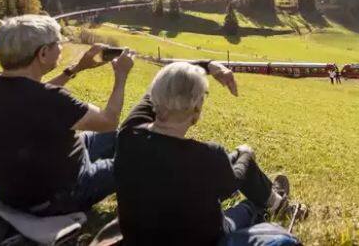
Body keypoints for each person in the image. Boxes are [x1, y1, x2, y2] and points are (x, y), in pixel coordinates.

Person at [115, 61, 304, 245]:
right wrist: (246, 154)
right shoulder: (208, 156)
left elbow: (171, 78)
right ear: (196, 110)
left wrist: (208, 66)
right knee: (249, 208)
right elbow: (233, 181)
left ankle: (272, 199)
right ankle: (273, 204)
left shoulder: (128, 133)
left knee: (235, 160)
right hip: (205, 238)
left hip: (140, 237)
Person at [0, 14, 135, 216]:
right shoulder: (52, 100)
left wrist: (77, 68)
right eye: (58, 42)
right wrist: (121, 76)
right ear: (43, 53)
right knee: (137, 157)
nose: (61, 46)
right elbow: (109, 121)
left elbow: (33, 95)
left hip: (12, 194)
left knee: (126, 137)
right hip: (61, 195)